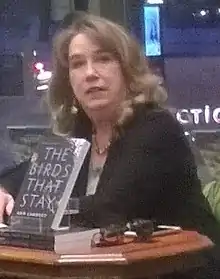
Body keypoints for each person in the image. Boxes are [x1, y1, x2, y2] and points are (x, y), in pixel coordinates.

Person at [0, 13, 219, 278]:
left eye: (103, 59)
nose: (90, 73)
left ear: (127, 70)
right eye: (78, 64)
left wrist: (31, 210)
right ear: (68, 80)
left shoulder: (156, 127)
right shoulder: (77, 133)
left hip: (182, 270)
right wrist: (4, 189)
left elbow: (109, 210)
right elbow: (32, 174)